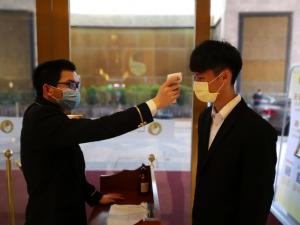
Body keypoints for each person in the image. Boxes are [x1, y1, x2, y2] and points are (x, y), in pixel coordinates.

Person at [20, 59, 180, 225]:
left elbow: (68, 168)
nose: (75, 90)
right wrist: (154, 104)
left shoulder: (50, 114)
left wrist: (95, 196)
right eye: (70, 84)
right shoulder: (41, 118)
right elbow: (100, 127)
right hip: (50, 217)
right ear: (48, 89)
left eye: (77, 85)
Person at [190, 40, 277, 225]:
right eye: (195, 77)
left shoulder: (258, 131)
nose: (196, 84)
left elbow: (257, 202)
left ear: (224, 77)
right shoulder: (205, 118)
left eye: (201, 78)